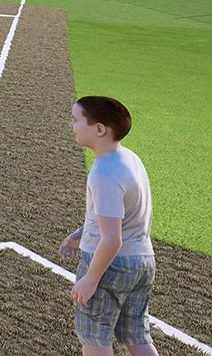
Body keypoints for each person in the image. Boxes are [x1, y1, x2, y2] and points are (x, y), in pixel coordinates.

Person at [60, 96, 158, 356]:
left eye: (76, 120)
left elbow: (112, 239)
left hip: (110, 266)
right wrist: (81, 234)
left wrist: (90, 280)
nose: (72, 125)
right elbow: (123, 215)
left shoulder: (104, 172)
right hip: (142, 261)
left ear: (99, 129)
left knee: (95, 339)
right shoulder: (129, 159)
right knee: (137, 336)